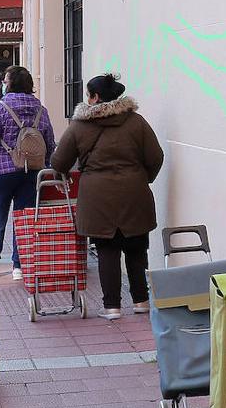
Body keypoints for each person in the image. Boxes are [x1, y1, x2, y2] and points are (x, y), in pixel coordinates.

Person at [50, 74, 163, 320]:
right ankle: (142, 301)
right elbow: (156, 157)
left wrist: (67, 174)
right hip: (135, 193)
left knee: (107, 250)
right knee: (136, 247)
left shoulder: (79, 126)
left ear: (95, 97)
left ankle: (112, 307)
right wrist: (143, 178)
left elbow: (59, 161)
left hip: (97, 196)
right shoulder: (136, 122)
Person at [0, 65, 56, 280]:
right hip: (32, 171)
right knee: (24, 217)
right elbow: (49, 142)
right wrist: (45, 163)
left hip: (2, 170)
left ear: (9, 84)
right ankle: (19, 266)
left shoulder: (0, 107)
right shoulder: (40, 108)